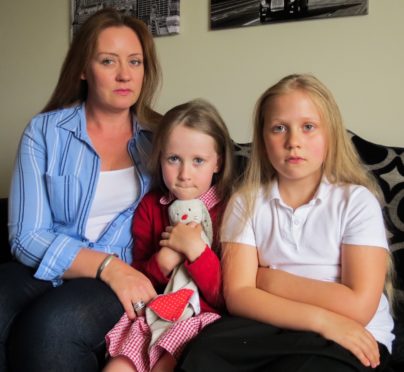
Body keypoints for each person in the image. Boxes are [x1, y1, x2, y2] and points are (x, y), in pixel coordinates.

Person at [177, 74, 395, 372]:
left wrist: (270, 281)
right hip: (274, 325)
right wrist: (322, 320)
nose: (294, 142)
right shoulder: (246, 202)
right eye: (279, 128)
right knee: (203, 351)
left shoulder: (356, 201)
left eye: (308, 127)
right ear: (263, 138)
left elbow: (358, 306)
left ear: (330, 134)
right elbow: (239, 296)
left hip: (352, 332)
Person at [0, 8, 162, 372]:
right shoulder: (44, 132)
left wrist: (120, 271)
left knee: (53, 329)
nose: (124, 74)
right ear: (83, 69)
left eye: (135, 62)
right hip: (52, 264)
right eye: (108, 61)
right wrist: (106, 267)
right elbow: (26, 237)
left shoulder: (161, 140)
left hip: (126, 273)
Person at [102, 99, 234, 372]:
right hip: (155, 313)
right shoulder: (151, 207)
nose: (185, 174)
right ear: (160, 157)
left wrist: (197, 251)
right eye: (174, 159)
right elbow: (138, 276)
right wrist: (163, 261)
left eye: (198, 161)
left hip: (200, 317)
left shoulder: (229, 211)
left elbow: (227, 294)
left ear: (218, 163)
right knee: (118, 367)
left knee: (167, 363)